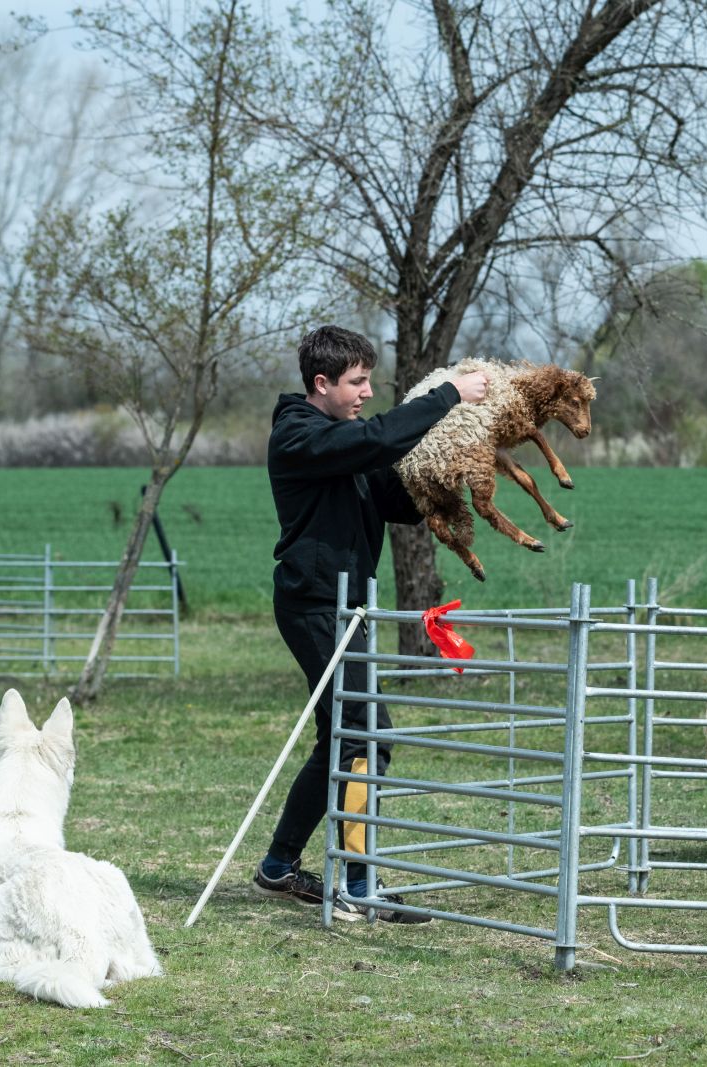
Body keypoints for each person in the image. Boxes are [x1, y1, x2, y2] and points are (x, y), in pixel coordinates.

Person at [254, 325, 487, 922]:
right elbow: (376, 440)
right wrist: (448, 397)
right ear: (322, 383)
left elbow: (394, 498)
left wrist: (451, 469)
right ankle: (359, 884)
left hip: (348, 606)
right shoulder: (299, 435)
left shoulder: (344, 441)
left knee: (345, 736)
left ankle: (280, 867)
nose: (365, 392)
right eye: (356, 382)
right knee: (363, 735)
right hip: (313, 604)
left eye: (368, 381)